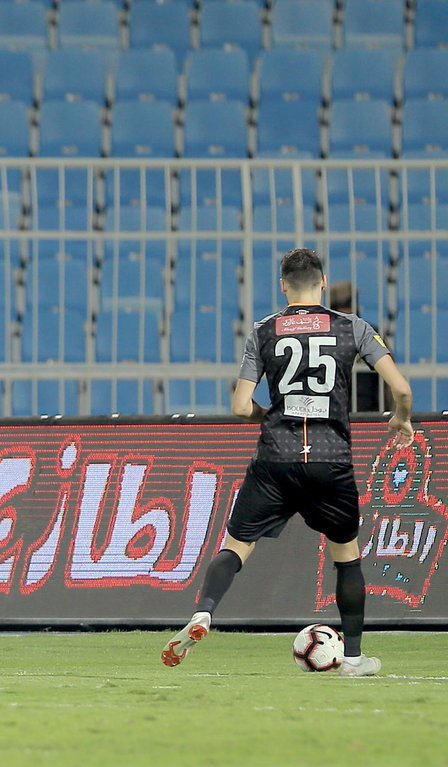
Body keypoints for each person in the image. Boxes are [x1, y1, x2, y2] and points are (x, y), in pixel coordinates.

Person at [161, 247, 414, 677]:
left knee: (236, 546)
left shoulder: (263, 331)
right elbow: (402, 390)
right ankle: (354, 659)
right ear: (323, 282)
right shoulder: (353, 327)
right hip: (330, 459)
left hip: (275, 458)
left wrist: (271, 416)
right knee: (347, 556)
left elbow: (241, 406)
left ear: (283, 286)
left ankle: (204, 611)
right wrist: (400, 418)